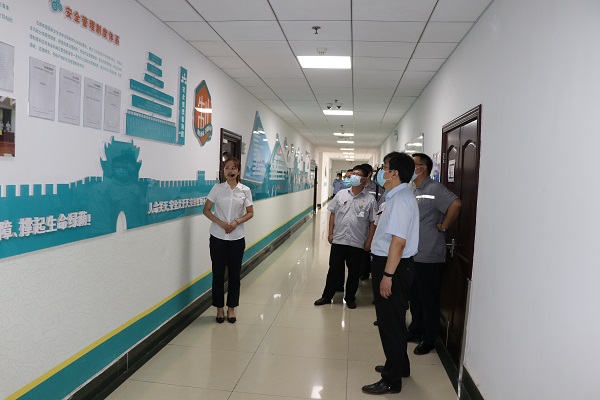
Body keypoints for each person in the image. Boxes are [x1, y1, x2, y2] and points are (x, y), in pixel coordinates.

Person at [362, 152, 419, 395]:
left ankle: (391, 380)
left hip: (392, 266)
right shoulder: (397, 197)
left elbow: (398, 242)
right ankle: (399, 365)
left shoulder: (401, 201)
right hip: (392, 264)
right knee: (395, 322)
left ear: (394, 173)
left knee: (390, 325)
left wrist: (387, 276)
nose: (380, 172)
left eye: (384, 168)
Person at [408, 153, 461, 354]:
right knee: (414, 296)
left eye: (413, 165)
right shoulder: (413, 189)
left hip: (429, 253)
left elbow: (456, 204)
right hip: (413, 252)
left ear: (423, 168)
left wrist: (444, 225)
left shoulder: (434, 188)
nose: (410, 168)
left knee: (428, 298)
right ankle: (415, 330)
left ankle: (429, 339)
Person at [314, 165, 377, 309]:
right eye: (352, 173)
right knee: (334, 269)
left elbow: (373, 222)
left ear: (365, 178)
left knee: (354, 272)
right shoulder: (341, 194)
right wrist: (330, 233)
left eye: (357, 174)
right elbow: (333, 214)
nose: (353, 176)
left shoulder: (370, 199)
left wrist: (369, 241)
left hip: (357, 241)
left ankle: (350, 298)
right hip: (339, 239)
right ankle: (327, 296)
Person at [203, 157, 254, 324]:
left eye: (233, 168)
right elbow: (206, 209)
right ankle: (219, 308)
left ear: (238, 171)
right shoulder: (217, 188)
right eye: (227, 167)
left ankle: (231, 308)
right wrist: (220, 222)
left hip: (236, 238)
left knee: (234, 275)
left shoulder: (245, 190)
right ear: (223, 170)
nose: (230, 170)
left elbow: (250, 212)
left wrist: (236, 222)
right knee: (218, 274)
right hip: (217, 237)